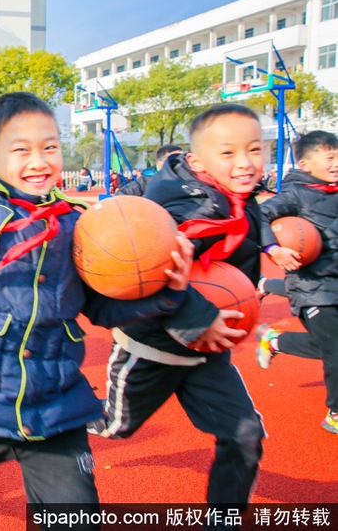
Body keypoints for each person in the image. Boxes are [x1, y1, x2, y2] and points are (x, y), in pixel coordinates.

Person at [0, 38, 203, 511]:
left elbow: (101, 306)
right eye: (21, 149)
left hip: (54, 395)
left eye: (49, 147)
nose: (39, 160)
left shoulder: (80, 226)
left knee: (74, 510)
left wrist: (167, 293)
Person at [92, 104, 279, 510]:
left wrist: (272, 249)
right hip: (151, 348)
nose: (245, 162)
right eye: (228, 153)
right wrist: (200, 318)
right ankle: (51, 415)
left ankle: (224, 519)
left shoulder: (240, 198)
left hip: (206, 354)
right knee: (113, 427)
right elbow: (154, 271)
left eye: (255, 149)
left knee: (245, 434)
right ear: (197, 161)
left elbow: (257, 223)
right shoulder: (184, 211)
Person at [256, 130, 338, 435]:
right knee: (336, 349)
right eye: (329, 157)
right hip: (312, 287)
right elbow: (259, 216)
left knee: (330, 347)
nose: (336, 162)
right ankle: (336, 412)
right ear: (305, 163)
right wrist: (273, 248)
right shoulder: (295, 194)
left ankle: (274, 340)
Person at [116, 144, 182, 197]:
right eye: (176, 160)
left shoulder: (188, 183)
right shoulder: (146, 181)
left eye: (183, 159)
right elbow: (120, 195)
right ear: (160, 164)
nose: (181, 164)